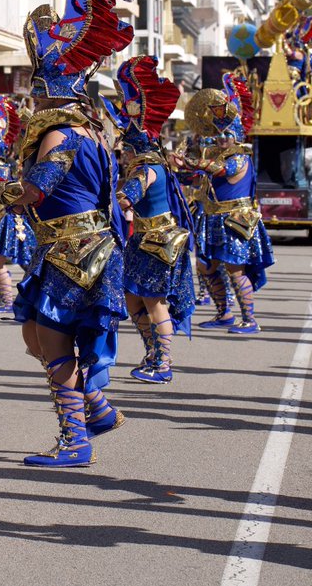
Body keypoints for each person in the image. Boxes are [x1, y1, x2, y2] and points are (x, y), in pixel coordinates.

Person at [0, 0, 134, 467]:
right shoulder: (89, 130)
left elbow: (36, 189)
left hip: (75, 251)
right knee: (34, 334)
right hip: (71, 248)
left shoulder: (59, 133)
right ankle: (98, 410)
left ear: (47, 90)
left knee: (53, 342)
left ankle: (75, 440)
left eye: (35, 87)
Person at [108, 57, 195, 383]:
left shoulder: (145, 170)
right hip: (144, 241)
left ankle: (163, 363)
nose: (123, 153)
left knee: (154, 303)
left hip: (157, 243)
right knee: (133, 300)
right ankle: (152, 352)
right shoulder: (153, 166)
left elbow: (125, 199)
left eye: (125, 148)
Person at [178, 73, 275, 336]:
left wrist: (195, 163)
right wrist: (180, 167)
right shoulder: (213, 154)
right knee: (206, 267)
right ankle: (224, 314)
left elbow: (222, 171)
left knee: (235, 269)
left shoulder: (240, 157)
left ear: (237, 136)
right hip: (211, 218)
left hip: (235, 220)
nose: (222, 139)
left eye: (227, 134)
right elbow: (195, 178)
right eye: (219, 134)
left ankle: (250, 319)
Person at [0, 96, 34, 315]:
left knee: (3, 259)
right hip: (0, 216)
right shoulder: (2, 164)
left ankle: (10, 299)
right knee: (0, 259)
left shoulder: (1, 167)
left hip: (4, 217)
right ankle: (10, 297)